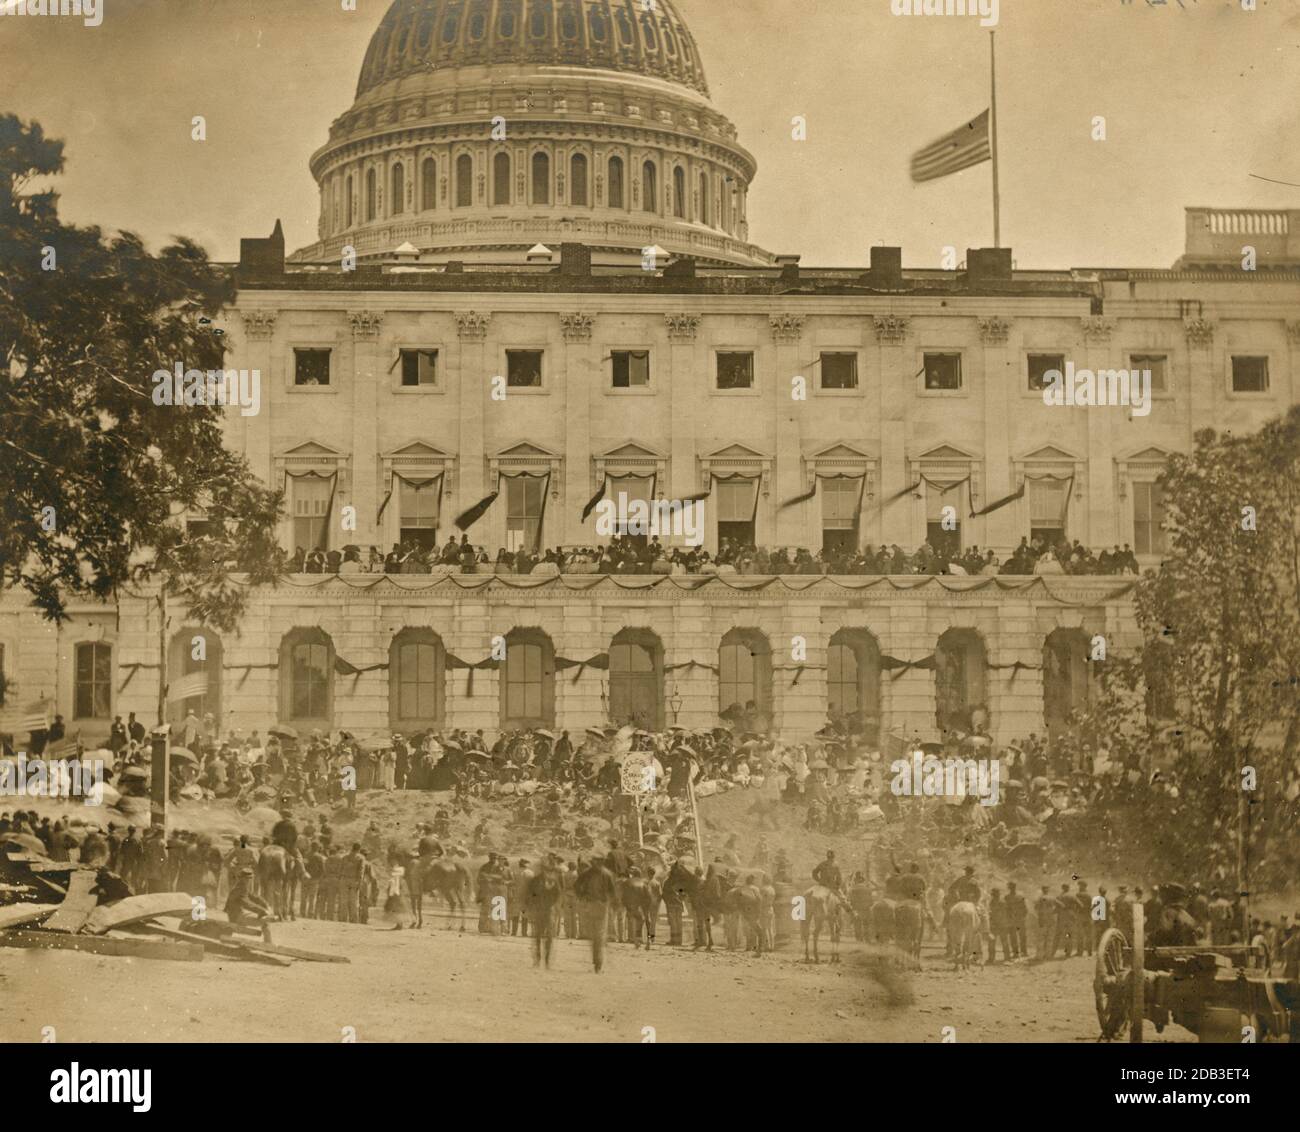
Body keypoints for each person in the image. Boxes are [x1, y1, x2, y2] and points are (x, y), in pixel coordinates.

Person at [575, 855, 618, 973]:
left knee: (594, 935)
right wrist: (611, 902)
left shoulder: (587, 873)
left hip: (590, 905)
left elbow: (577, 886)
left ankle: (597, 961)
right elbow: (613, 892)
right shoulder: (607, 874)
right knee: (599, 935)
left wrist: (582, 896)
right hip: (602, 906)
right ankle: (598, 963)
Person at [1005, 881, 1027, 959]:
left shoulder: (1018, 896)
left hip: (1017, 919)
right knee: (1015, 936)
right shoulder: (1007, 897)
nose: (1011, 888)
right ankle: (1018, 952)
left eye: (1012, 887)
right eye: (1010, 887)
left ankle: (1022, 952)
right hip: (1015, 919)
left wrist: (1022, 916)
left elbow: (1024, 908)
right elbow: (1006, 909)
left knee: (1020, 936)